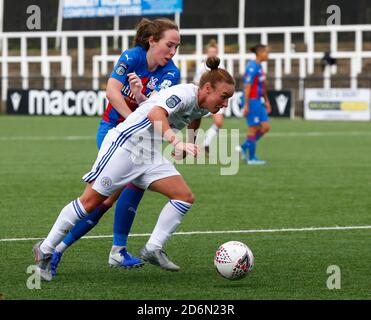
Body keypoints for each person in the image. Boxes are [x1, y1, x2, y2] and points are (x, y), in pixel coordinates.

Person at [33, 56, 235, 280]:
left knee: (183, 197)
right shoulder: (185, 93)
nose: (225, 104)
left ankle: (152, 248)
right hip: (126, 145)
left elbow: (196, 117)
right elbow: (155, 113)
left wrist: (189, 140)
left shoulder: (203, 105)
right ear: (207, 88)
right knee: (90, 202)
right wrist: (176, 142)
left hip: (148, 154)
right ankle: (45, 249)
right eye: (224, 97)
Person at [50, 17, 181, 276]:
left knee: (131, 189)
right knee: (103, 198)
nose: (173, 52)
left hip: (141, 140)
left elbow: (153, 108)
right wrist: (131, 116)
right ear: (152, 41)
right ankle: (56, 249)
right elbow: (111, 91)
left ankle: (115, 251)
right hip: (112, 133)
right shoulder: (132, 57)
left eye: (177, 47)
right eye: (169, 45)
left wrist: (141, 101)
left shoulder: (171, 73)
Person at [236, 44, 271, 165]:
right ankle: (251, 158)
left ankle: (244, 146)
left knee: (265, 127)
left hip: (258, 101)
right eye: (266, 52)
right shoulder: (252, 67)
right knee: (253, 128)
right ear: (260, 53)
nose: (268, 55)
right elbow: (247, 86)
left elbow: (262, 86)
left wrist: (266, 101)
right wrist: (246, 104)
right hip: (252, 101)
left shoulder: (259, 66)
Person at [193, 39, 225, 154]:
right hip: (205, 99)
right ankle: (191, 145)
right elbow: (197, 82)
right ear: (207, 53)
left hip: (216, 98)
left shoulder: (221, 66)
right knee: (195, 120)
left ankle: (206, 142)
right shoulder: (201, 66)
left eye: (214, 52)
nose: (212, 54)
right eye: (210, 52)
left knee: (219, 122)